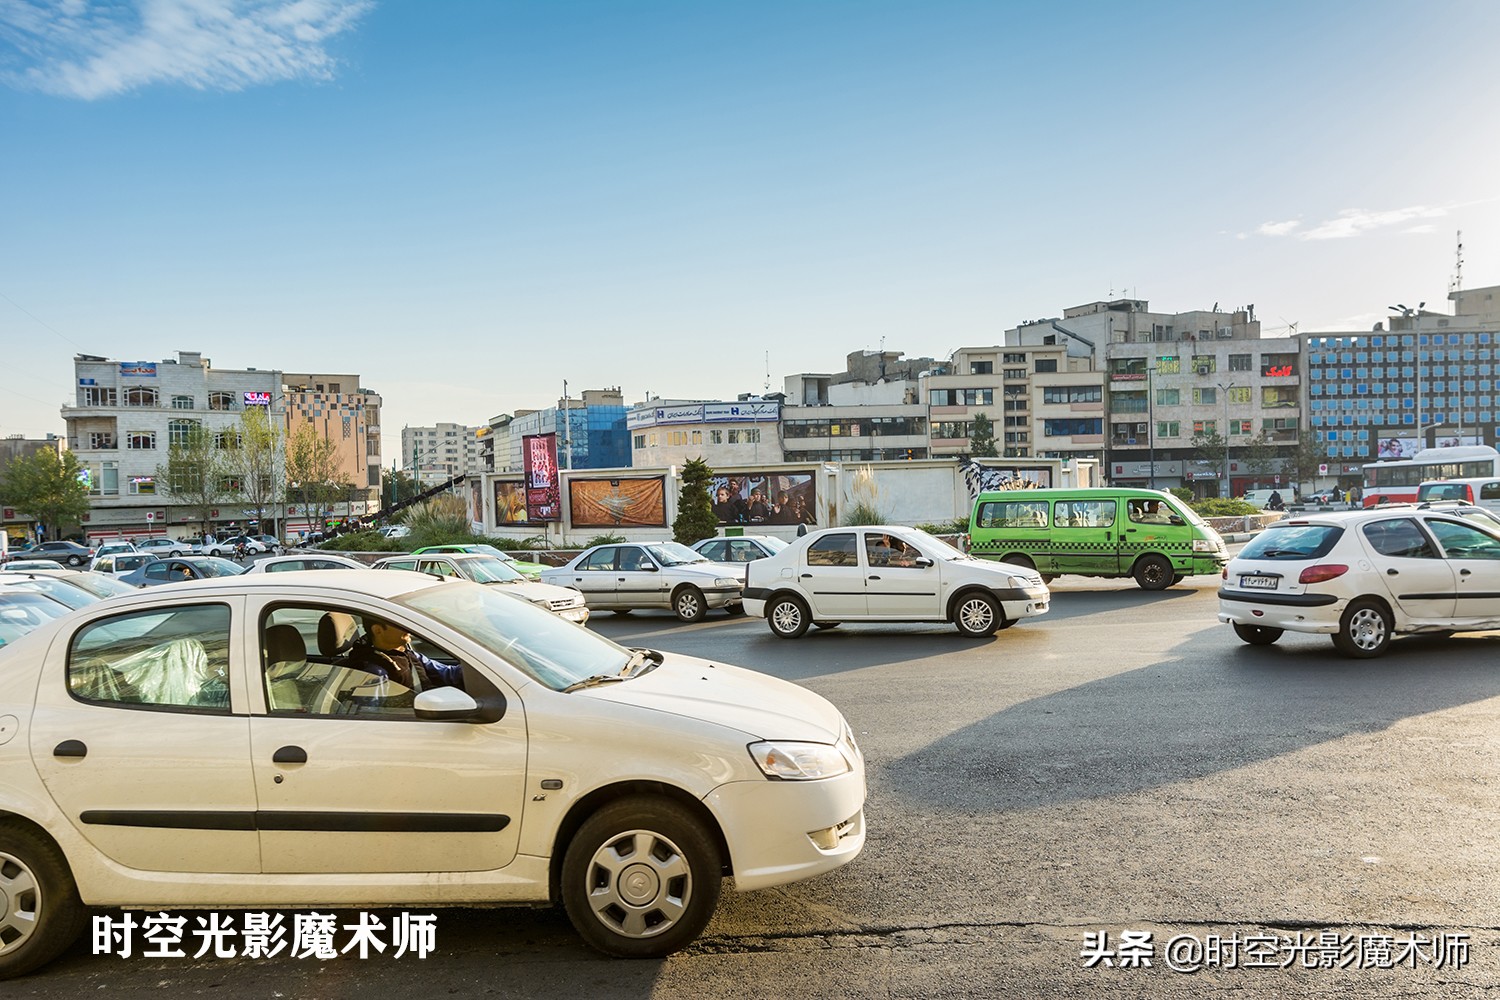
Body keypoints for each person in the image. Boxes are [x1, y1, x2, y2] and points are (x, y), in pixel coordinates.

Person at [348, 617, 464, 691]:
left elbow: (448, 674)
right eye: (398, 623)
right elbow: (372, 714)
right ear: (378, 630)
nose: (407, 627)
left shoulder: (404, 652)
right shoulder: (374, 672)